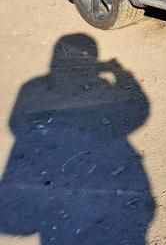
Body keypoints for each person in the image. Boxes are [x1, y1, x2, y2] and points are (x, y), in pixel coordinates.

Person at [0, 34, 154, 244]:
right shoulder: (38, 88)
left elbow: (16, 126)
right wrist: (120, 73)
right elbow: (139, 114)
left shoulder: (33, 87)